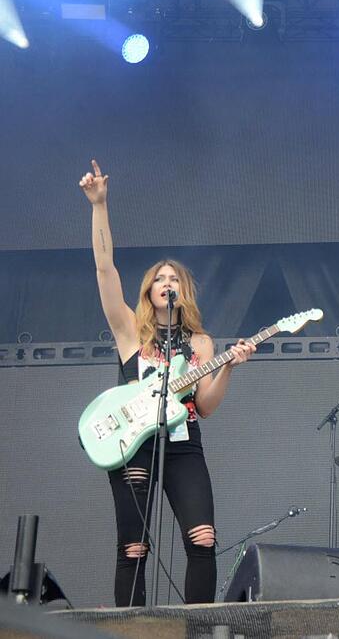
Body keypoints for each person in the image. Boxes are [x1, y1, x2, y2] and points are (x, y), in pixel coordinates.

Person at [79, 159, 256, 606]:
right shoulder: (129, 332)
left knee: (202, 538)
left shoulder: (199, 343)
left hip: (182, 442)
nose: (166, 282)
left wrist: (226, 367)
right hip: (132, 443)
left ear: (183, 291)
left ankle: (196, 626)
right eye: (159, 278)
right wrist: (100, 205)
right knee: (134, 546)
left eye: (173, 278)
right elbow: (104, 270)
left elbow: (206, 405)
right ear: (147, 290)